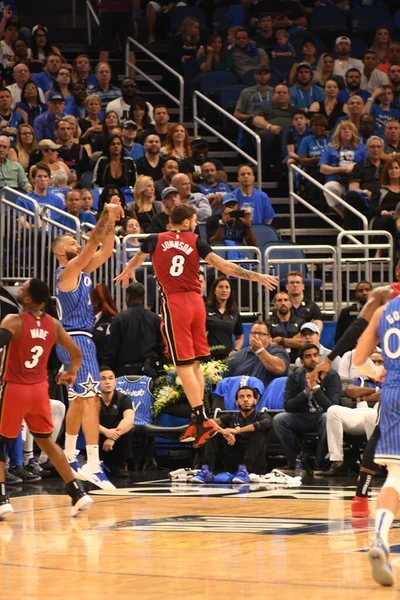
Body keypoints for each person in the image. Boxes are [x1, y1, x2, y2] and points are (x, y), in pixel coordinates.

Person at [115, 203, 279, 448]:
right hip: (196, 304)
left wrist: (128, 270)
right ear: (185, 223)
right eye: (193, 220)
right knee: (195, 363)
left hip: (175, 304)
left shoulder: (154, 239)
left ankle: (200, 417)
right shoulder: (196, 242)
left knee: (182, 365)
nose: (195, 224)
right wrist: (256, 276)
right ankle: (199, 414)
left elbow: (138, 257)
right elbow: (224, 267)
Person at [0, 278, 93, 519]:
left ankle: (1, 498)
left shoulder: (13, 321)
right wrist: (71, 373)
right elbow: (76, 353)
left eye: (22, 288)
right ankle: (77, 492)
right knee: (47, 442)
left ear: (28, 299)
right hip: (40, 390)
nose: (18, 288)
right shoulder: (54, 324)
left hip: (15, 388)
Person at [52, 197, 124, 490]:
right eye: (71, 240)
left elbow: (106, 248)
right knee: (91, 399)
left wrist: (113, 218)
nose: (76, 242)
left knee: (80, 401)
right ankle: (92, 463)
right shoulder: (66, 273)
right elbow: (94, 241)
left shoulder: (81, 273)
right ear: (60, 251)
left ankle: (69, 454)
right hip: (76, 338)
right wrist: (104, 215)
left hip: (78, 340)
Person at [352, 293, 400, 586]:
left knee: (396, 474)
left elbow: (359, 358)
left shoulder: (385, 311)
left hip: (393, 393)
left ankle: (380, 538)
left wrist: (377, 372)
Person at [273, 344, 342, 475]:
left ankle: (319, 465)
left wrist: (316, 389)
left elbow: (333, 407)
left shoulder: (331, 375)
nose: (313, 359)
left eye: (316, 355)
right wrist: (306, 392)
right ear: (302, 361)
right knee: (279, 419)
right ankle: (293, 462)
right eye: (308, 356)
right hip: (302, 417)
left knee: (327, 417)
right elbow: (288, 406)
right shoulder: (295, 376)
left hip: (323, 417)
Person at [191, 386, 272, 484]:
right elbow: (211, 422)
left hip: (254, 465)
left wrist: (236, 431)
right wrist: (223, 431)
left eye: (249, 396)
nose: (245, 399)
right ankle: (207, 469)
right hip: (233, 464)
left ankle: (244, 469)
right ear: (236, 402)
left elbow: (266, 423)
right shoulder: (231, 418)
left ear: (255, 401)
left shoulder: (262, 416)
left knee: (259, 432)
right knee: (215, 431)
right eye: (241, 397)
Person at [324, 350, 382, 476]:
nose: (376, 364)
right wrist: (375, 390)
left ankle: (377, 464)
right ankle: (337, 462)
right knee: (333, 410)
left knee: (372, 415)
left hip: (380, 415)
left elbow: (385, 396)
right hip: (360, 413)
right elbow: (350, 391)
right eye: (373, 362)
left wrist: (364, 396)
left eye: (380, 362)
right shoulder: (361, 379)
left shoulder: (391, 381)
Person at [103, 282, 165, 378]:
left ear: (127, 296)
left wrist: (107, 370)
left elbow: (111, 350)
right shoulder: (155, 319)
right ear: (143, 298)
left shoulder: (118, 319)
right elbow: (161, 347)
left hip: (124, 374)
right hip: (149, 373)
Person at [319, 121, 367, 217]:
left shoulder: (361, 148)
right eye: (344, 129)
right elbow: (322, 168)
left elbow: (367, 164)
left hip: (356, 181)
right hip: (337, 180)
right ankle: (344, 215)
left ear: (354, 132)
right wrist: (341, 169)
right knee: (329, 187)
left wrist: (354, 166)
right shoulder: (330, 148)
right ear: (339, 132)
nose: (347, 131)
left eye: (350, 129)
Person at [224, 320, 289, 388]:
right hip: (240, 396)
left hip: (267, 396)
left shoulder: (279, 352)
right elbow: (224, 382)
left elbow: (279, 369)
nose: (256, 336)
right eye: (253, 333)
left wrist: (259, 350)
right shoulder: (235, 356)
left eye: (261, 334)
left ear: (269, 337)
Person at [343, 135, 385, 230]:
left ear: (383, 149)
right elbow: (353, 188)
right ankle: (352, 235)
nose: (376, 149)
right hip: (367, 199)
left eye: (378, 147)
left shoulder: (388, 165)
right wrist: (366, 192)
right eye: (372, 147)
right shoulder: (359, 166)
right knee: (351, 196)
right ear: (367, 150)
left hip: (385, 196)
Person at [98, 367, 134, 477]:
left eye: (110, 378)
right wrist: (105, 432)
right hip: (99, 437)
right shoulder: (92, 399)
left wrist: (112, 437)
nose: (107, 382)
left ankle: (119, 466)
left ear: (116, 381)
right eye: (103, 379)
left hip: (116, 440)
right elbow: (87, 421)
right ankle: (96, 464)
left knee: (126, 426)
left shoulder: (124, 399)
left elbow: (129, 419)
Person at [205, 276, 244, 360]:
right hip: (207, 357)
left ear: (230, 291)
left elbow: (240, 337)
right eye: (220, 287)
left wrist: (235, 350)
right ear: (214, 290)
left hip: (227, 359)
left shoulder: (235, 312)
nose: (224, 290)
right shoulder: (205, 309)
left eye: (227, 287)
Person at [98, 0, 136, 79]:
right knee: (129, 48)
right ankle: (131, 82)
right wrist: (133, 12)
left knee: (105, 48)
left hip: (107, 12)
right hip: (124, 12)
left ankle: (101, 80)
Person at [267, 291, 305, 363]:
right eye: (279, 300)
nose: (283, 303)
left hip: (298, 362)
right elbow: (268, 345)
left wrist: (280, 340)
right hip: (276, 361)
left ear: (290, 304)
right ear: (275, 305)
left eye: (286, 300)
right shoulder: (268, 323)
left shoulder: (301, 322)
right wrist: (292, 342)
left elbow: (303, 343)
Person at [89, 283, 118, 367]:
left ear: (96, 303)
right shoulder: (85, 320)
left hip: (105, 370)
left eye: (88, 301)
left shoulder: (111, 321)